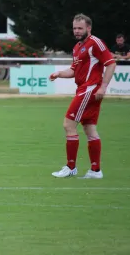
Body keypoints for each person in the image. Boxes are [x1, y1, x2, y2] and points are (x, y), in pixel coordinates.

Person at [49, 14, 116, 179]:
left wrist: (103, 86)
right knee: (89, 128)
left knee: (68, 124)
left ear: (88, 28)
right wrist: (58, 73)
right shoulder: (77, 47)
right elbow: (73, 70)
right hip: (85, 89)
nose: (77, 31)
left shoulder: (95, 43)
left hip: (90, 89)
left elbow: (111, 63)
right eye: (74, 28)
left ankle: (71, 167)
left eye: (80, 28)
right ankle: (95, 170)